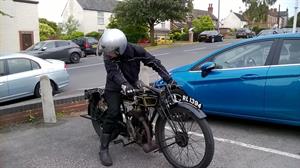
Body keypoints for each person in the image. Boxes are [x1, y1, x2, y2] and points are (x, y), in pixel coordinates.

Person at [98, 29, 176, 166]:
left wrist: (169, 80)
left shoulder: (136, 51)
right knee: (113, 113)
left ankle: (144, 135)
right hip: (114, 86)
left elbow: (154, 62)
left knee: (146, 105)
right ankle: (103, 149)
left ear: (120, 48)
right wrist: (124, 85)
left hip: (133, 83)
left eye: (111, 52)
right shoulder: (108, 55)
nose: (108, 55)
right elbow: (113, 73)